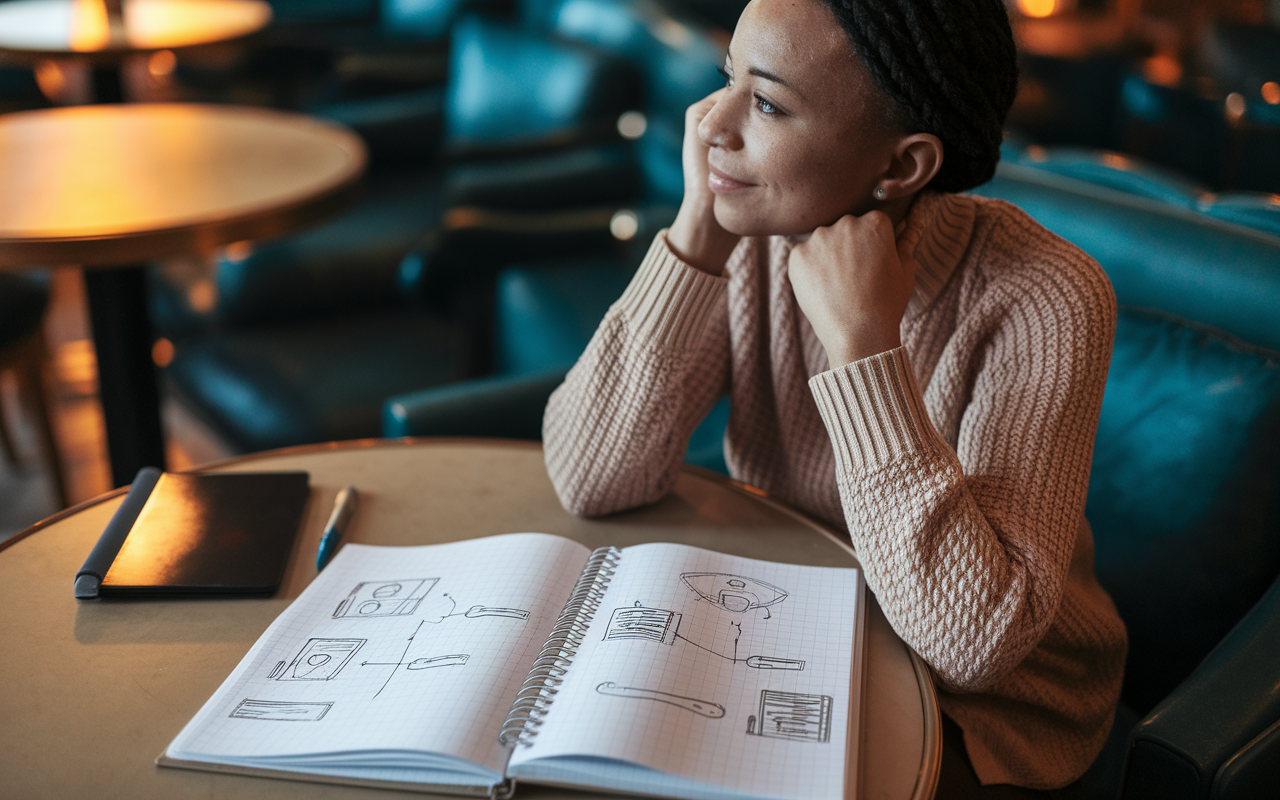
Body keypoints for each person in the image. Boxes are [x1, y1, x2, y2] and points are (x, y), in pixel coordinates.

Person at [542, 0, 1128, 795]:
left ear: (900, 168)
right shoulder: (757, 224)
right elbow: (590, 475)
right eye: (727, 78)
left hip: (981, 713)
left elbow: (973, 644)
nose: (710, 124)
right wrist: (697, 235)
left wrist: (864, 349)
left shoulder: (1046, 296)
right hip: (796, 627)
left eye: (769, 103)